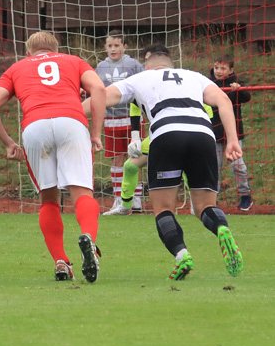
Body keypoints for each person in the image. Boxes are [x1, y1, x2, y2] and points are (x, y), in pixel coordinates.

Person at [94, 44, 243, 280]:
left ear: (148, 66)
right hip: (203, 135)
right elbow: (224, 100)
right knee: (204, 206)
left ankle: (182, 255)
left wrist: (71, 111)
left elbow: (101, 97)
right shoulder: (194, 76)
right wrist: (233, 140)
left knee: (164, 209)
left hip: (166, 134)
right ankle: (221, 227)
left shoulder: (140, 78)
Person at [0, 31, 106, 283]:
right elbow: (99, 88)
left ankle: (61, 261)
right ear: (56, 49)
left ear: (28, 52)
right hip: (71, 121)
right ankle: (89, 239)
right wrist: (95, 133)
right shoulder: (73, 61)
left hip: (35, 126)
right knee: (82, 192)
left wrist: (8, 143)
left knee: (48, 199)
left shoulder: (17, 68)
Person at [95, 30, 145, 212]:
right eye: (110, 46)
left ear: (125, 46)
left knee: (135, 158)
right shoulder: (100, 67)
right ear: (105, 47)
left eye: (117, 45)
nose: (113, 49)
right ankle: (119, 198)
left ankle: (136, 198)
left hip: (133, 120)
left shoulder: (134, 64)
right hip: (111, 121)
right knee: (116, 160)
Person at [209, 54, 253, 211]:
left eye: (223, 68)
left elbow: (247, 97)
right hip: (213, 133)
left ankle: (245, 195)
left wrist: (238, 90)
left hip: (233, 133)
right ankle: (212, 199)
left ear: (230, 70)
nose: (219, 71)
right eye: (216, 67)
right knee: (215, 167)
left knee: (237, 165)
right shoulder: (208, 84)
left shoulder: (236, 83)